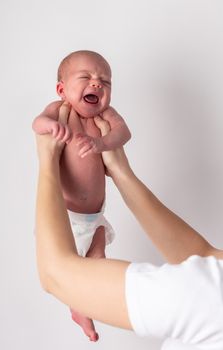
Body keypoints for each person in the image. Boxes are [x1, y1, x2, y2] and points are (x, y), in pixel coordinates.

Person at [34, 104, 223, 350]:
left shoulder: (211, 300)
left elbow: (55, 275)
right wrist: (121, 172)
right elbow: (204, 257)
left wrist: (47, 161)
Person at [32, 50, 131, 341]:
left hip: (96, 215)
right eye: (86, 78)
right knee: (71, 270)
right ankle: (79, 308)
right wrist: (50, 126)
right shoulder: (58, 110)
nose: (97, 84)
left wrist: (102, 143)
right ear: (62, 89)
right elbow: (37, 123)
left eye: (105, 81)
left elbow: (124, 132)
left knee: (97, 260)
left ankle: (86, 307)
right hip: (67, 217)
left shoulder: (105, 116)